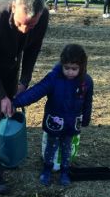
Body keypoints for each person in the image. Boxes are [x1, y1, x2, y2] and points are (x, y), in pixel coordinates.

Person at [0, 0, 50, 194]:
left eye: (31, 25)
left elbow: (33, 50)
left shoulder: (42, 18)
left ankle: (7, 156)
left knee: (10, 110)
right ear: (14, 7)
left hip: (11, 60)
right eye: (20, 24)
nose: (25, 30)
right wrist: (1, 96)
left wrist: (24, 81)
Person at [12, 45, 93, 187]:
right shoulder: (53, 78)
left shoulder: (86, 82)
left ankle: (65, 171)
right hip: (54, 122)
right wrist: (16, 102)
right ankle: (47, 169)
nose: (70, 72)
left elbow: (87, 102)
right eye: (66, 68)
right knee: (51, 146)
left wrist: (86, 118)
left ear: (82, 67)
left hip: (72, 123)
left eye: (74, 69)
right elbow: (36, 92)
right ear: (62, 64)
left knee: (66, 148)